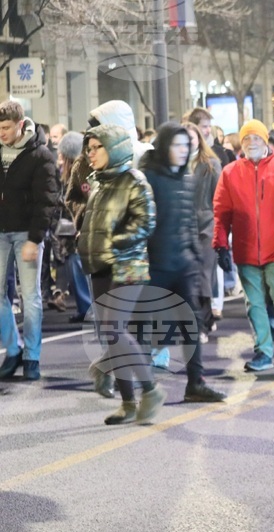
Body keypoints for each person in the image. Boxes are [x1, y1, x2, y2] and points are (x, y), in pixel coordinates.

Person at [77, 125, 165, 424]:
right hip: (99, 266)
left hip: (127, 266)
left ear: (113, 147)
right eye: (88, 148)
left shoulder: (134, 180)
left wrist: (113, 242)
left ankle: (150, 390)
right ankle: (128, 403)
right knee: (111, 336)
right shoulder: (97, 183)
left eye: (97, 147)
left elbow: (146, 222)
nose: (91, 153)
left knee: (115, 329)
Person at [140, 122, 226, 402]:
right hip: (155, 267)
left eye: (185, 145)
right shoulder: (148, 178)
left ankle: (195, 383)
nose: (182, 150)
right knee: (147, 329)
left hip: (184, 266)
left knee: (192, 325)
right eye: (176, 145)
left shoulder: (188, 180)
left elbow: (190, 222)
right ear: (164, 146)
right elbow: (141, 223)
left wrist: (194, 257)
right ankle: (140, 386)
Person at [213, 119, 274, 372]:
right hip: (245, 248)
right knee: (255, 303)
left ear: (265, 141)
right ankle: (263, 351)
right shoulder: (230, 172)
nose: (252, 142)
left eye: (256, 138)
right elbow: (221, 211)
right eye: (247, 138)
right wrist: (220, 244)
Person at [0, 100, 60, 381]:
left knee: (31, 297)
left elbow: (46, 201)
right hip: (1, 232)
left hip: (27, 233)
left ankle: (32, 357)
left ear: (21, 125)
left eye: (6, 128)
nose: (1, 133)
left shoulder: (40, 155)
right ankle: (13, 349)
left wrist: (35, 239)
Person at [182, 121, 223, 344]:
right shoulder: (176, 164)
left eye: (191, 138)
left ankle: (203, 323)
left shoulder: (210, 164)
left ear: (199, 139)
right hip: (183, 228)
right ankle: (196, 320)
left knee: (203, 274)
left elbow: (220, 196)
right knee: (189, 277)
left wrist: (220, 225)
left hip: (207, 225)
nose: (188, 143)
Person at [55, 131, 93, 324]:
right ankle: (84, 307)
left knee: (79, 268)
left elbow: (84, 201)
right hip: (71, 231)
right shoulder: (71, 173)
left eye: (62, 154)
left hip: (78, 231)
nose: (59, 158)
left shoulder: (80, 173)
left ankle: (87, 308)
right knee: (75, 268)